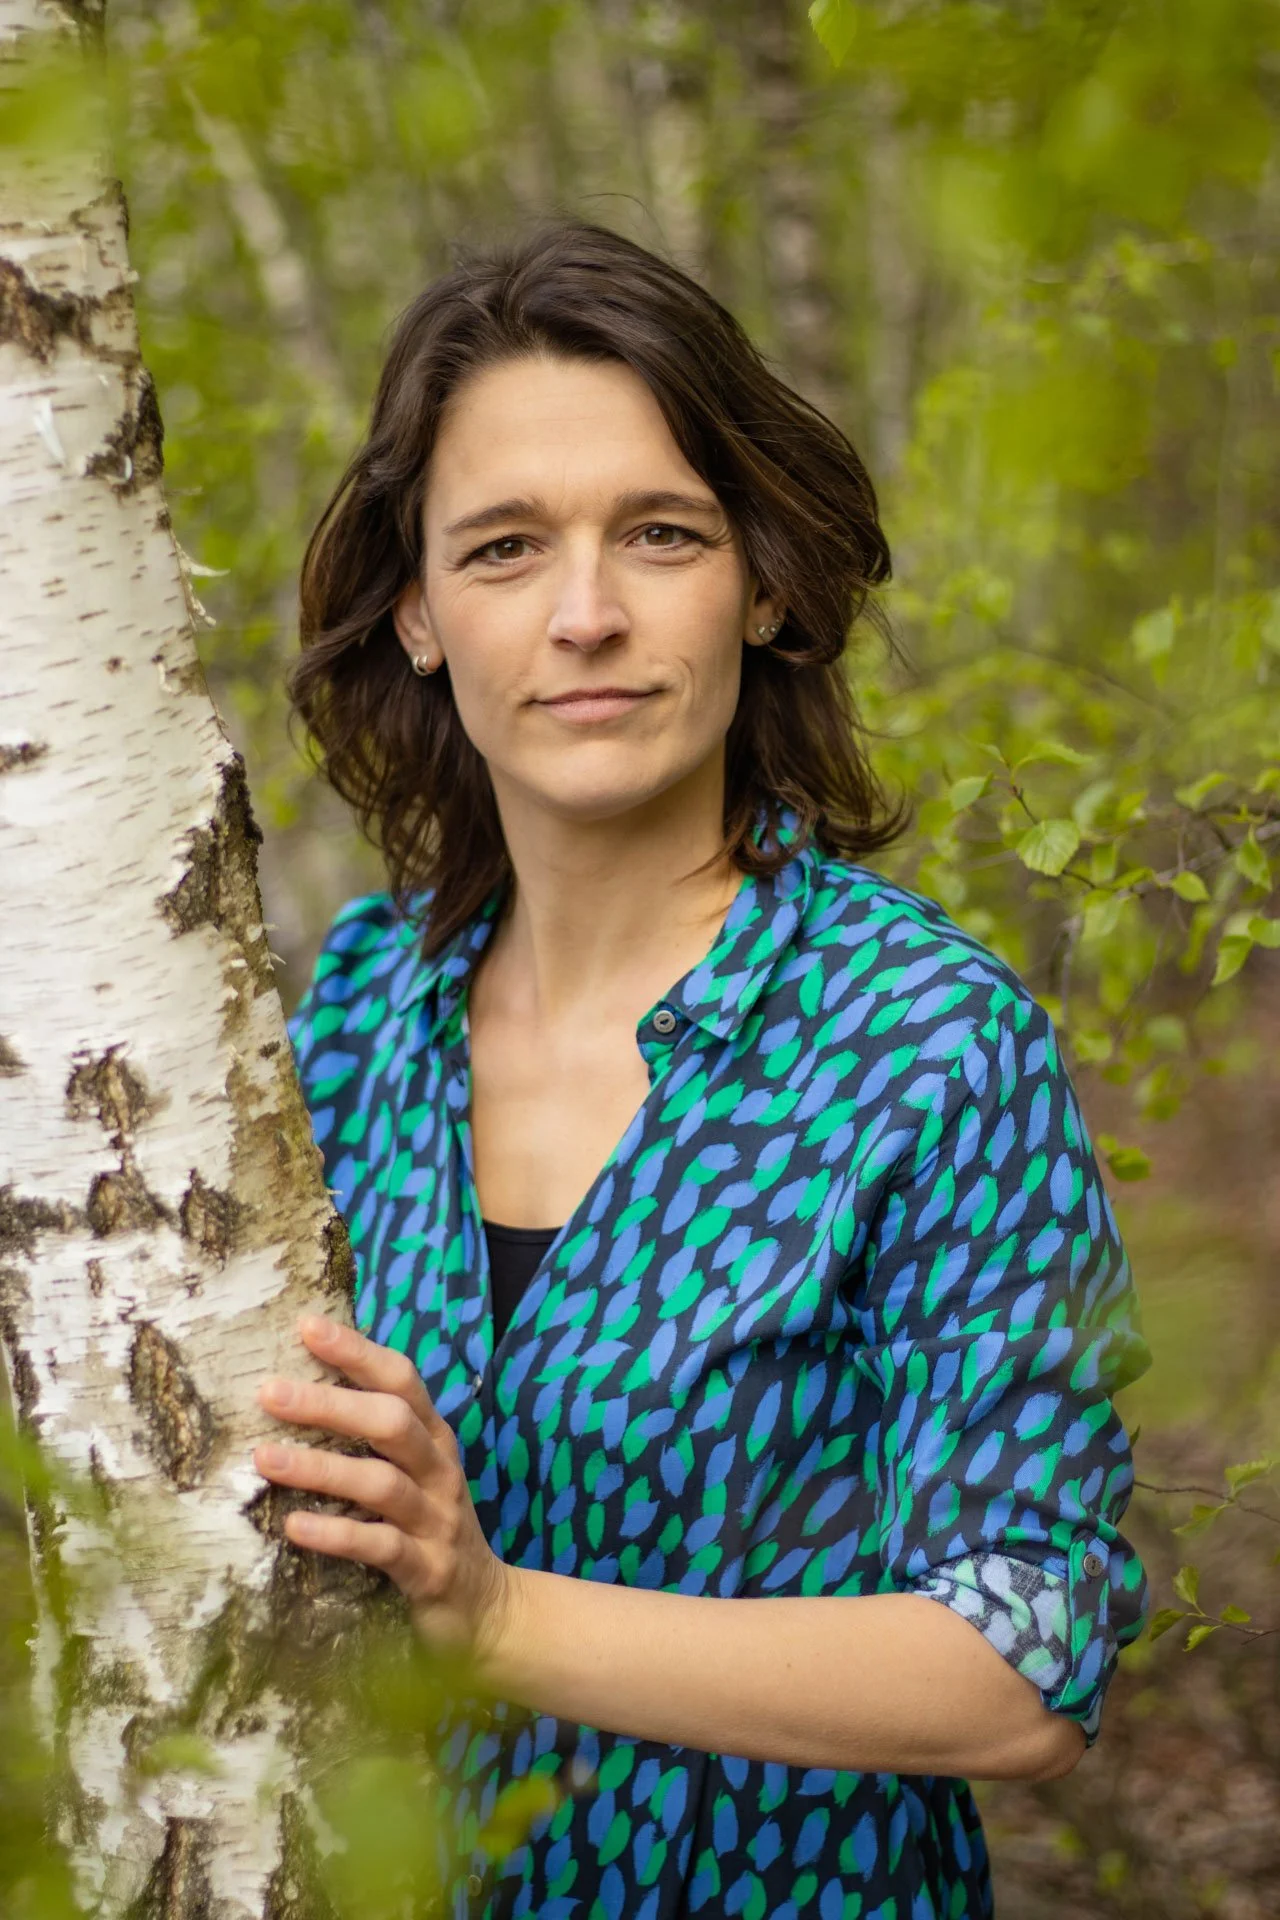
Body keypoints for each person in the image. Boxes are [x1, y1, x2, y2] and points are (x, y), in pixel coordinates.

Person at [257, 219, 1150, 1919]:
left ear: (764, 580)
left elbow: (1024, 1660)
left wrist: (500, 1614)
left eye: (658, 534)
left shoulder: (927, 1044)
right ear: (419, 615)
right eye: (506, 547)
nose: (586, 615)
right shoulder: (361, 1009)